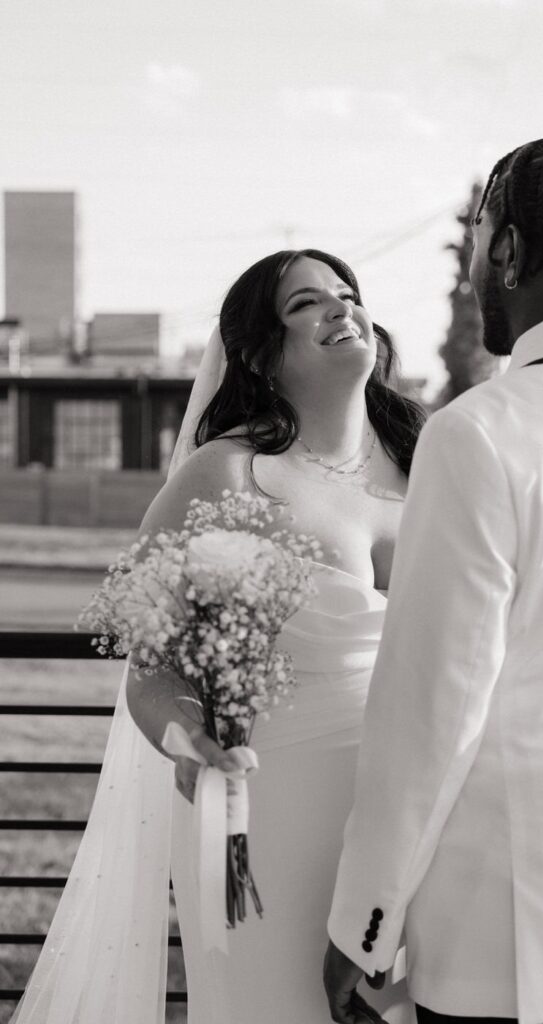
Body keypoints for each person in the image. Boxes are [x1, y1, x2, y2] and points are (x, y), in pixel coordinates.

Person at [10, 248, 424, 1024]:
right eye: (307, 303)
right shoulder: (224, 476)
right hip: (264, 816)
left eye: (347, 294)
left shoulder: (429, 462)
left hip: (412, 817)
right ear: (263, 353)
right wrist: (191, 738)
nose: (341, 310)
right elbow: (152, 669)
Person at [324, 136, 543, 1024]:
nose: (476, 262)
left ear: (511, 250)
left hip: (505, 914)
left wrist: (364, 923)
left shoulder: (478, 432)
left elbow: (430, 708)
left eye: (481, 235)